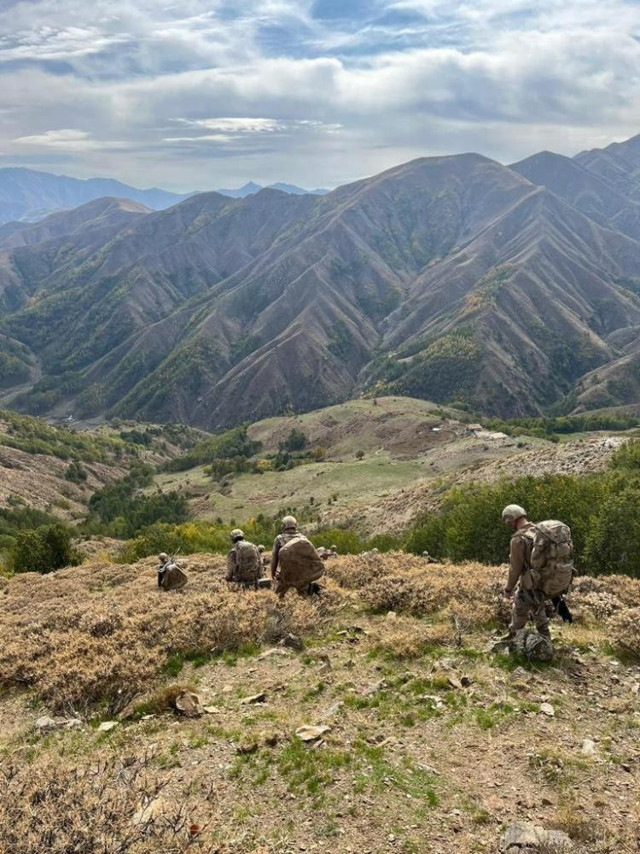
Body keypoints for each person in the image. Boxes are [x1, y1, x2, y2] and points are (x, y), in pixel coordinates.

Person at [501, 505, 551, 639]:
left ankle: (514, 635)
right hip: (546, 578)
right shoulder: (540, 530)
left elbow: (515, 569)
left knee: (520, 606)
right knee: (538, 605)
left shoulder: (518, 539)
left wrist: (508, 589)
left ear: (511, 519)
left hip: (530, 581)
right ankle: (544, 635)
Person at [271, 515, 324, 597]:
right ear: (295, 525)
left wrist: (273, 573)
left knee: (277, 595)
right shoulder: (303, 538)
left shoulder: (279, 539)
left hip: (286, 574)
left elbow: (274, 558)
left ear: (283, 526)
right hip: (302, 574)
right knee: (304, 595)